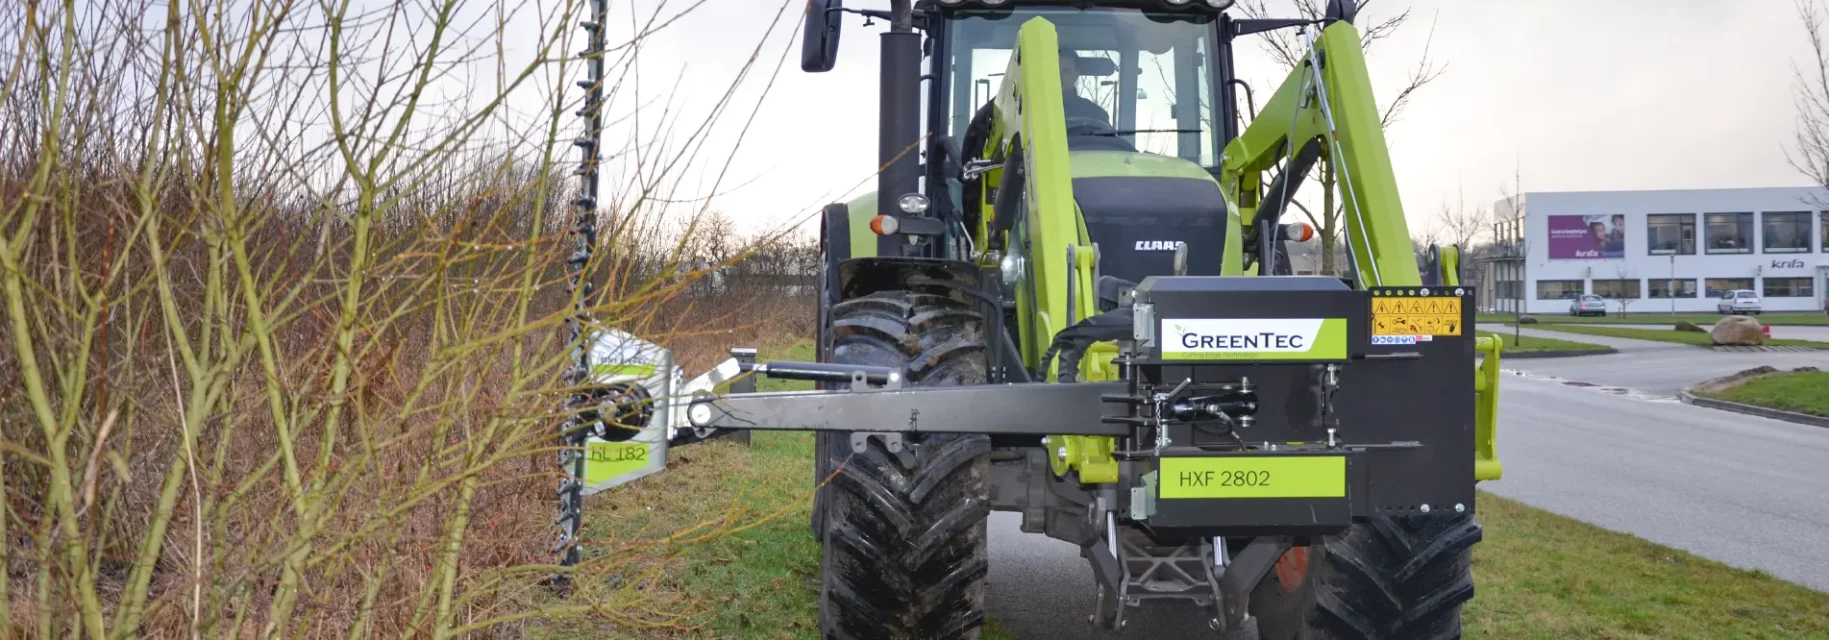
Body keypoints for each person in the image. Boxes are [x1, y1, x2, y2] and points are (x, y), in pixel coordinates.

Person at [1058, 50, 1112, 127]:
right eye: (1055, 71)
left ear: (1075, 75)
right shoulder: (1035, 109)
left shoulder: (1095, 114)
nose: (1059, 76)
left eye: (1066, 71)